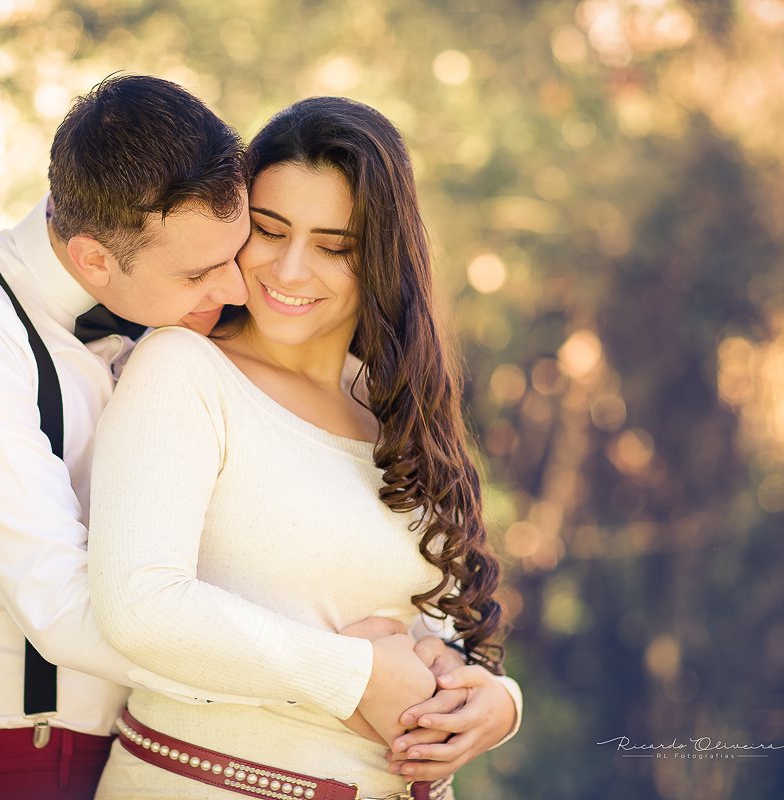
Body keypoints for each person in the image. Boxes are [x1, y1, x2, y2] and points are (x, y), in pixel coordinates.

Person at [0, 76, 481, 800]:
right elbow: (73, 609)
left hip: (131, 744)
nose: (238, 286)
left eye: (234, 248)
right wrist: (353, 670)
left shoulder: (167, 310)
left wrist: (473, 690)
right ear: (96, 261)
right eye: (202, 270)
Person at [88, 96, 521, 800]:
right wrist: (358, 674)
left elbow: (432, 619)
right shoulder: (184, 370)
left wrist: (495, 705)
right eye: (268, 230)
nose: (290, 271)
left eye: (333, 246)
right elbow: (140, 605)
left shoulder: (392, 404)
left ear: (379, 258)